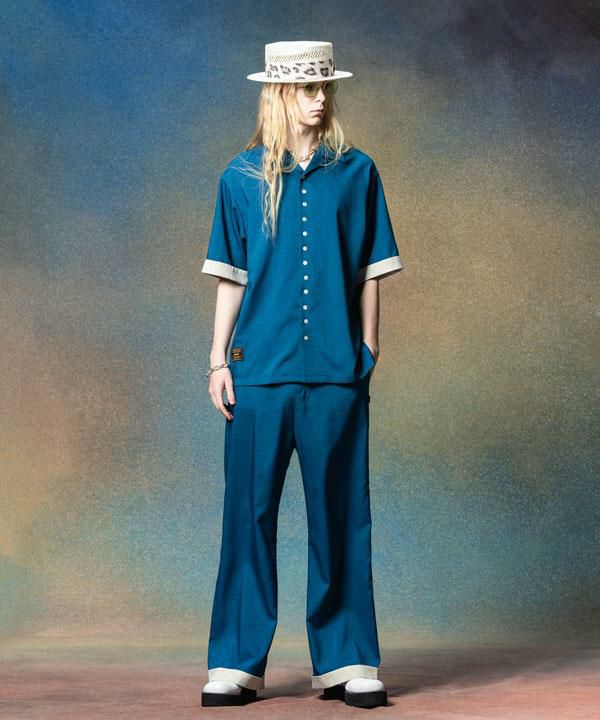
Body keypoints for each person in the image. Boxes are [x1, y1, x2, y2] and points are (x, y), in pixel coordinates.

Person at [200, 40, 404, 709]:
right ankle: (235, 663)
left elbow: (371, 270)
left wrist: (368, 347)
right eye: (307, 89)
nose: (320, 99)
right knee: (248, 516)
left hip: (336, 375)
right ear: (280, 95)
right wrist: (217, 360)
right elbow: (231, 279)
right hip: (258, 374)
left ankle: (347, 661)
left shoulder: (358, 172)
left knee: (341, 515)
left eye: (326, 88)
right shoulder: (240, 177)